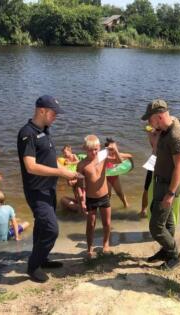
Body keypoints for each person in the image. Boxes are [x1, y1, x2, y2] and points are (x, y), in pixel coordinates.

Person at [17, 95, 78, 283]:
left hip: (49, 189)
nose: (56, 116)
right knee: (51, 230)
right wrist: (61, 172)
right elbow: (31, 166)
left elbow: (48, 159)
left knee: (42, 226)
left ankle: (42, 259)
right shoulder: (28, 133)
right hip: (36, 191)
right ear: (41, 111)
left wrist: (68, 172)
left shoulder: (44, 130)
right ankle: (33, 266)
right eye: (54, 113)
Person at [141, 99, 180, 270]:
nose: (149, 123)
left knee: (156, 227)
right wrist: (154, 134)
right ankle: (166, 251)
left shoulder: (176, 137)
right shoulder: (165, 131)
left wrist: (170, 194)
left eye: (150, 119)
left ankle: (174, 256)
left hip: (169, 185)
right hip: (160, 181)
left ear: (159, 117)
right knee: (167, 222)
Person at [76, 135, 122, 259]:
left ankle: (105, 244)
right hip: (90, 199)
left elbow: (119, 161)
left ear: (99, 148)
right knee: (90, 225)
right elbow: (80, 186)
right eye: (91, 150)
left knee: (107, 223)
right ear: (85, 148)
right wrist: (82, 202)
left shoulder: (103, 158)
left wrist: (115, 149)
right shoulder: (81, 165)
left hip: (104, 197)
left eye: (96, 149)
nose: (94, 152)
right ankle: (90, 248)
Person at [104, 138, 133, 208]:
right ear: (107, 149)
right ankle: (107, 208)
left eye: (115, 148)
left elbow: (130, 155)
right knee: (108, 194)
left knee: (120, 193)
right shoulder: (105, 157)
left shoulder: (118, 154)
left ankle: (126, 205)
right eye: (111, 149)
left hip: (115, 177)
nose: (113, 150)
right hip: (106, 177)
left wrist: (129, 164)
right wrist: (120, 159)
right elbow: (116, 161)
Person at [139, 126, 160, 217]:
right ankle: (144, 210)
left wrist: (152, 133)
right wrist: (152, 132)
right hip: (154, 161)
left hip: (158, 161)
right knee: (147, 188)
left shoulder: (157, 133)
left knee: (149, 188)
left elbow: (153, 145)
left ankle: (145, 210)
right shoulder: (156, 132)